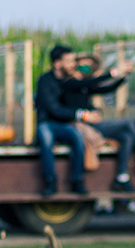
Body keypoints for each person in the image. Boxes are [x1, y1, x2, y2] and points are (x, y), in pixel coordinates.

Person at [62, 54, 135, 195]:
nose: (87, 67)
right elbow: (95, 82)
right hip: (85, 127)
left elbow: (106, 89)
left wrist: (123, 77)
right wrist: (113, 72)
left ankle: (122, 178)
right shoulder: (71, 83)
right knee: (127, 123)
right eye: (84, 64)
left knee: (126, 137)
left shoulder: (85, 86)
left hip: (94, 124)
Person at [34, 45, 88, 196]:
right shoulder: (45, 81)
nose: (74, 64)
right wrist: (81, 115)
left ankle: (77, 180)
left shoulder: (69, 81)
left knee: (78, 136)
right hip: (47, 122)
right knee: (45, 136)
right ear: (57, 63)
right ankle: (50, 181)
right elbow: (54, 109)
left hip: (63, 124)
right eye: (69, 61)